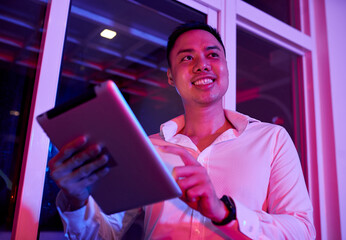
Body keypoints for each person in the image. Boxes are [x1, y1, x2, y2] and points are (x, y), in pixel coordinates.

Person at [49, 22, 316, 239]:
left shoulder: (271, 139)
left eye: (213, 54)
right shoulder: (148, 149)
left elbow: (302, 231)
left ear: (225, 67)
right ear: (170, 77)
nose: (202, 64)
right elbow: (104, 235)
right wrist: (77, 200)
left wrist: (225, 211)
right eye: (188, 57)